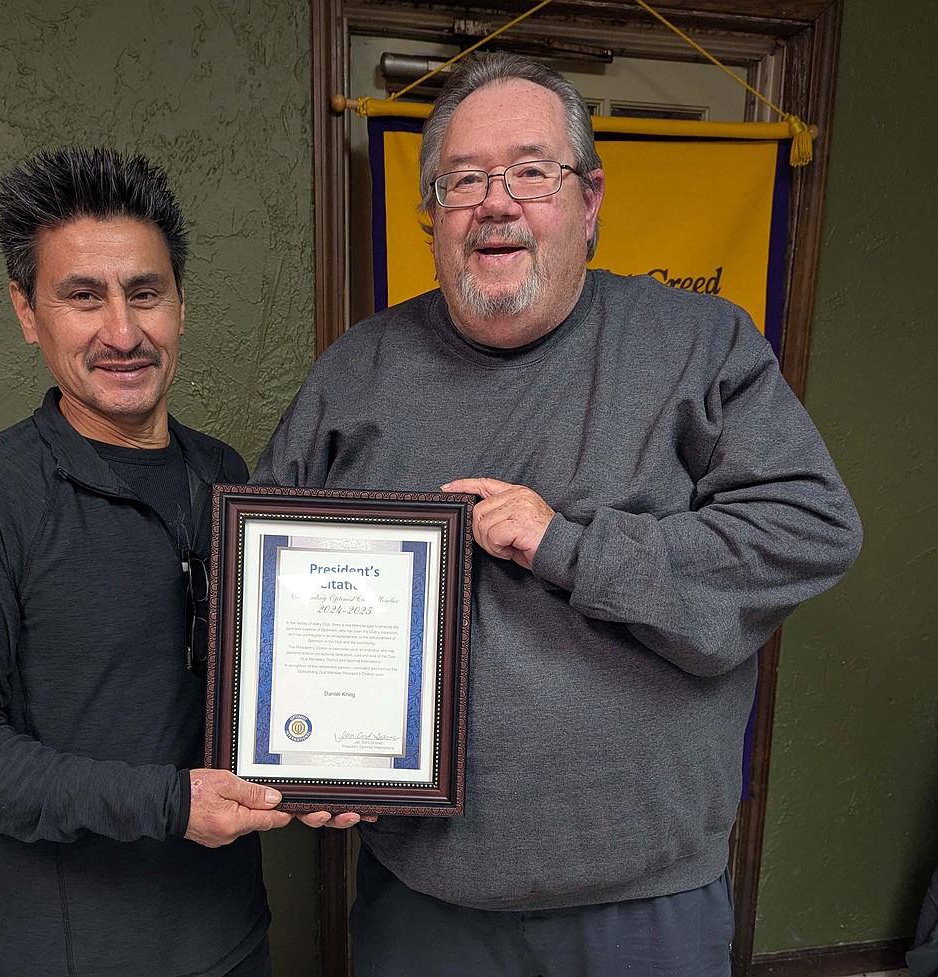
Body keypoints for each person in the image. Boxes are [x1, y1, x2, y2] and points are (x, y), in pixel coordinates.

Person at [252, 52, 863, 976]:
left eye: (532, 172)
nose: (496, 203)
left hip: (643, 907)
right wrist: (300, 760)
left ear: (590, 199)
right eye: (464, 180)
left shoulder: (700, 343)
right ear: (431, 217)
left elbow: (808, 528)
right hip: (422, 900)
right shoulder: (357, 370)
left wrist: (567, 545)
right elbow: (269, 589)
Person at [0, 147, 296, 977]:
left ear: (180, 301)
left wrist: (341, 771)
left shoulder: (224, 475)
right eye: (82, 296)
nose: (123, 332)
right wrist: (167, 802)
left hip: (234, 943)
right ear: (27, 311)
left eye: (145, 292)